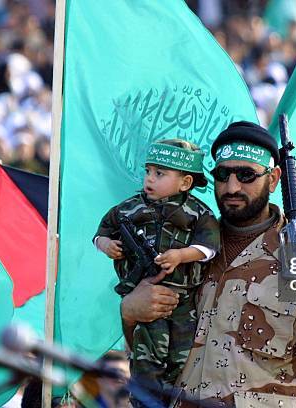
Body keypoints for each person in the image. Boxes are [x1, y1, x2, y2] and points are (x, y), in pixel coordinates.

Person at [121, 121, 296, 407]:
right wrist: (129, 312)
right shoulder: (185, 245)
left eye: (246, 175)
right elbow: (148, 342)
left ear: (273, 179)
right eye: (223, 175)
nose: (232, 187)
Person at [93, 139, 220, 406]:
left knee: (182, 360)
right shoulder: (129, 208)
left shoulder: (198, 213)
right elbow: (102, 231)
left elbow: (209, 248)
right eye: (148, 171)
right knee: (146, 360)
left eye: (159, 173)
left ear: (185, 183)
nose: (150, 179)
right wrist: (107, 245)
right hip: (143, 300)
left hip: (183, 302)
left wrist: (181, 255)